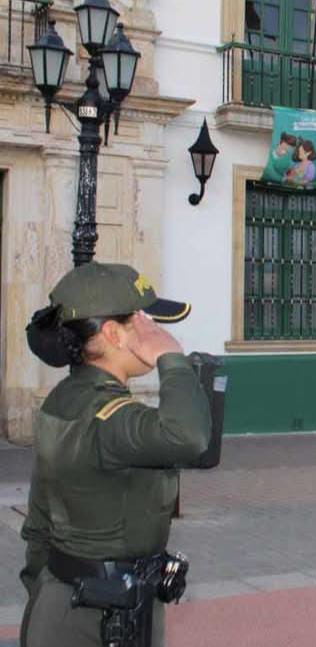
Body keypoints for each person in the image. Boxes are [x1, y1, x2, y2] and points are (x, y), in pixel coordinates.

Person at [19, 262, 211, 647]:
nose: (158, 332)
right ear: (112, 333)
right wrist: (171, 358)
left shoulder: (64, 399)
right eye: (146, 323)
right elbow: (189, 435)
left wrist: (45, 589)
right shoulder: (109, 417)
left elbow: (41, 518)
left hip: (72, 603)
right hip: (99, 617)